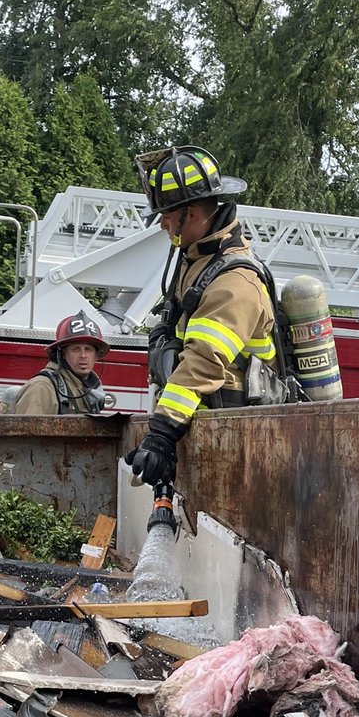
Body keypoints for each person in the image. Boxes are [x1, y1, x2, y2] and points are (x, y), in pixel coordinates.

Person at [125, 146, 278, 487]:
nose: (162, 223)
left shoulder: (235, 282)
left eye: (166, 214)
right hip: (212, 437)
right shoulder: (197, 261)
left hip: (238, 446)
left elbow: (204, 362)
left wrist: (161, 434)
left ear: (190, 213)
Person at [8, 312, 110, 415]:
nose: (83, 355)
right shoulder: (42, 388)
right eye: (75, 349)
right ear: (63, 354)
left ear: (97, 355)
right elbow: (27, 430)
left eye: (88, 349)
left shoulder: (89, 390)